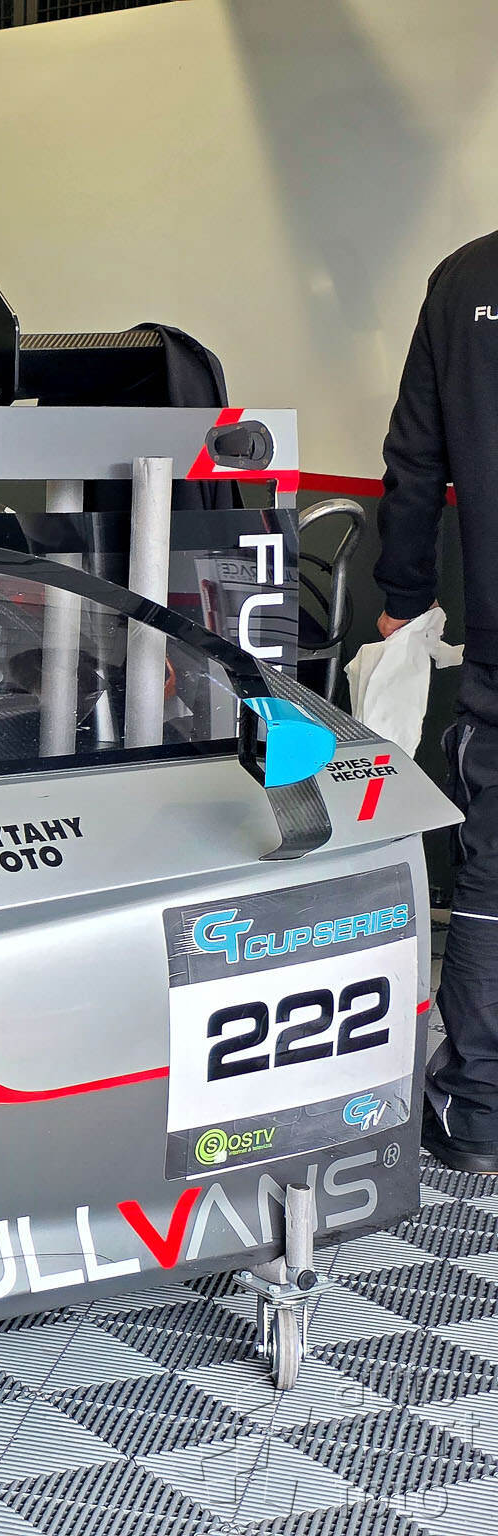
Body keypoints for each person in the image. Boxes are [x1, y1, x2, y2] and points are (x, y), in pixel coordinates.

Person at [376, 231, 498, 1174]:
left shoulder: (464, 277)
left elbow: (415, 460)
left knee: (495, 874)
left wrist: (405, 596)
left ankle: (477, 1115)